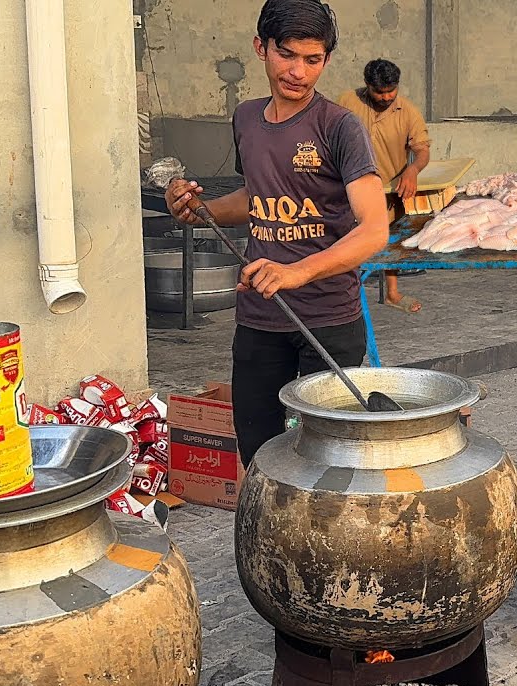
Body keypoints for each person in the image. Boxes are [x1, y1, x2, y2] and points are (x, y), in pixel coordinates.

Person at [164, 0, 388, 465]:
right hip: (259, 318)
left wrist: (296, 273)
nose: (299, 73)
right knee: (260, 455)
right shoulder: (246, 118)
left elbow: (373, 230)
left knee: (330, 460)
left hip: (327, 319)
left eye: (313, 60)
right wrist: (198, 210)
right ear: (260, 48)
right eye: (287, 55)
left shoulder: (340, 127)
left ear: (326, 59)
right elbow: (257, 196)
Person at [337, 58, 431, 314]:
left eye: (392, 90)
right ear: (367, 86)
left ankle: (391, 293)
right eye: (380, 92)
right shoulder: (346, 102)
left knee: (387, 240)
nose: (387, 96)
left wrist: (412, 170)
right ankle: (344, 295)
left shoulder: (407, 111)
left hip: (388, 190)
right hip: (347, 187)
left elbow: (422, 150)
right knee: (346, 242)